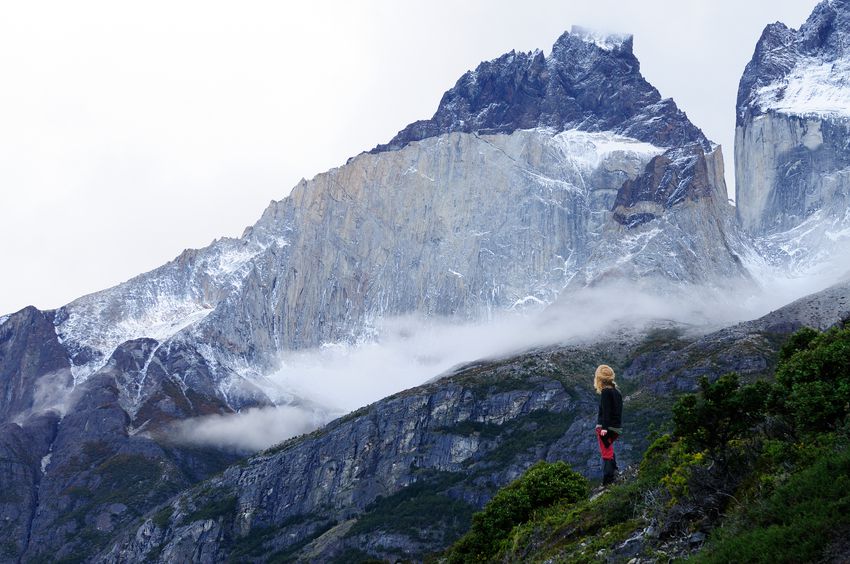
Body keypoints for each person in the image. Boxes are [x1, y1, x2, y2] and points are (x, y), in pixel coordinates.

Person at [594, 364, 623, 486]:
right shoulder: (617, 391)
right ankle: (615, 471)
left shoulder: (605, 392)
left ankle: (608, 480)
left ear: (599, 379)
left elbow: (606, 412)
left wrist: (604, 429)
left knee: (606, 453)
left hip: (605, 427)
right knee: (609, 449)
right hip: (617, 427)